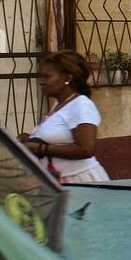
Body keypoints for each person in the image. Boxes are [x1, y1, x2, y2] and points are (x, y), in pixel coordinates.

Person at [22, 50, 110, 183]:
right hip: (63, 182)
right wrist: (31, 139)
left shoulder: (81, 105)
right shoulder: (59, 104)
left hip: (82, 182)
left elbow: (86, 149)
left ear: (67, 79)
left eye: (47, 77)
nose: (41, 81)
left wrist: (39, 148)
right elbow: (60, 138)